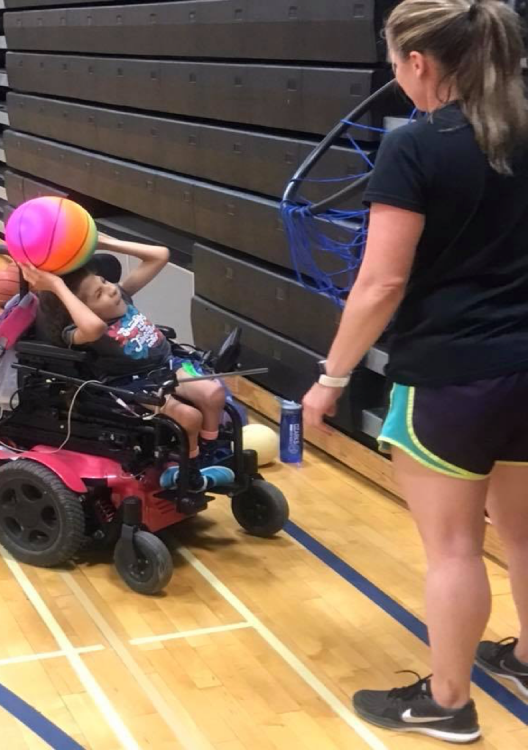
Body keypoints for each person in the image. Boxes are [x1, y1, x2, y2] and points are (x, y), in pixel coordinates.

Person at [302, 0, 528, 743]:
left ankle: (448, 701)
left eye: (397, 62)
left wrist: (330, 379)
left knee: (456, 549)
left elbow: (379, 285)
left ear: (419, 63)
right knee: (524, 535)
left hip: (454, 375)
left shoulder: (417, 147)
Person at [23, 233, 233, 493]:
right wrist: (56, 286)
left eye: (104, 281)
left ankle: (212, 453)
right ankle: (187, 466)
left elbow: (160, 255)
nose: (111, 288)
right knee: (189, 417)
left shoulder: (121, 296)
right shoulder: (75, 331)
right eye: (99, 293)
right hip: (135, 384)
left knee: (213, 393)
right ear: (81, 309)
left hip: (169, 363)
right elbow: (95, 326)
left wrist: (102, 243)